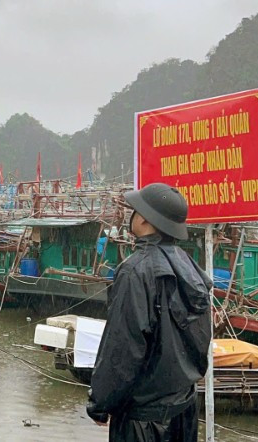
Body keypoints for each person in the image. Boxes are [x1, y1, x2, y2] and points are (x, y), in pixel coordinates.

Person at [86, 183, 211, 442]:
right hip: (184, 409)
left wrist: (100, 404)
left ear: (144, 219)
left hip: (143, 421)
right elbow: (200, 338)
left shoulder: (135, 270)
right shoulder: (188, 265)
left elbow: (123, 348)